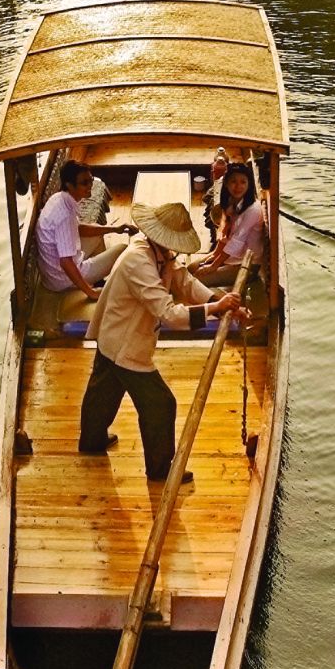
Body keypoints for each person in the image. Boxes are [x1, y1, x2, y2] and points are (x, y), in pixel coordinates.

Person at [80, 202, 244, 485]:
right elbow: (169, 314)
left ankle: (92, 440)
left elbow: (185, 282)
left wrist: (218, 304)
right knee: (161, 404)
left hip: (115, 336)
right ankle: (159, 469)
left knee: (102, 391)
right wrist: (212, 309)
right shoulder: (138, 260)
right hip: (125, 343)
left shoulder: (162, 254)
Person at [33, 159, 126, 306]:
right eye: (84, 183)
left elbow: (80, 228)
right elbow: (65, 262)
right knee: (123, 249)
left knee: (96, 229)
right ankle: (93, 284)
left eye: (90, 180)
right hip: (61, 279)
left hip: (54, 271)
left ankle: (96, 278)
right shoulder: (64, 215)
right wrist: (90, 293)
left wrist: (116, 229)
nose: (90, 186)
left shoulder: (59, 198)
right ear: (70, 185)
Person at [193, 159, 269, 284]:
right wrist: (214, 254)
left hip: (247, 264)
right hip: (231, 256)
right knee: (191, 269)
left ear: (249, 184)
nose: (238, 187)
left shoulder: (252, 210)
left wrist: (214, 265)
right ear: (227, 184)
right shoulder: (231, 201)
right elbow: (225, 233)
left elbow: (236, 242)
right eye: (233, 181)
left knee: (196, 280)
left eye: (243, 182)